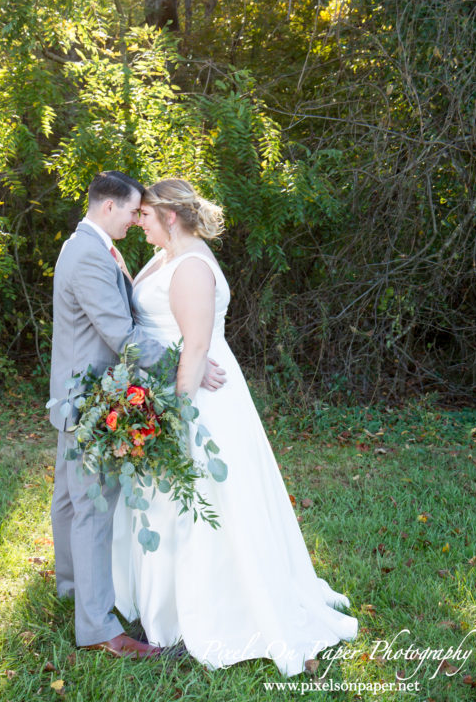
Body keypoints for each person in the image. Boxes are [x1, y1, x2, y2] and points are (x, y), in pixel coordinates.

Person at [112, 178, 359, 676]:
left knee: (203, 500)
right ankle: (159, 600)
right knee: (169, 500)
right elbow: (148, 313)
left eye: (145, 216)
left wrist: (175, 421)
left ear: (169, 217)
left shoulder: (192, 268)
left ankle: (211, 609)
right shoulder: (165, 258)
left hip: (198, 401)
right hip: (167, 385)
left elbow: (196, 348)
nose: (138, 223)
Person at [49, 171, 225, 660]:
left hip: (76, 394)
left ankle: (73, 590)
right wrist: (186, 359)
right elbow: (121, 335)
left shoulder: (87, 245)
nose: (136, 217)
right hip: (89, 398)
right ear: (110, 207)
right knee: (91, 509)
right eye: (132, 210)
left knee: (68, 500)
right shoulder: (89, 253)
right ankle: (98, 627)